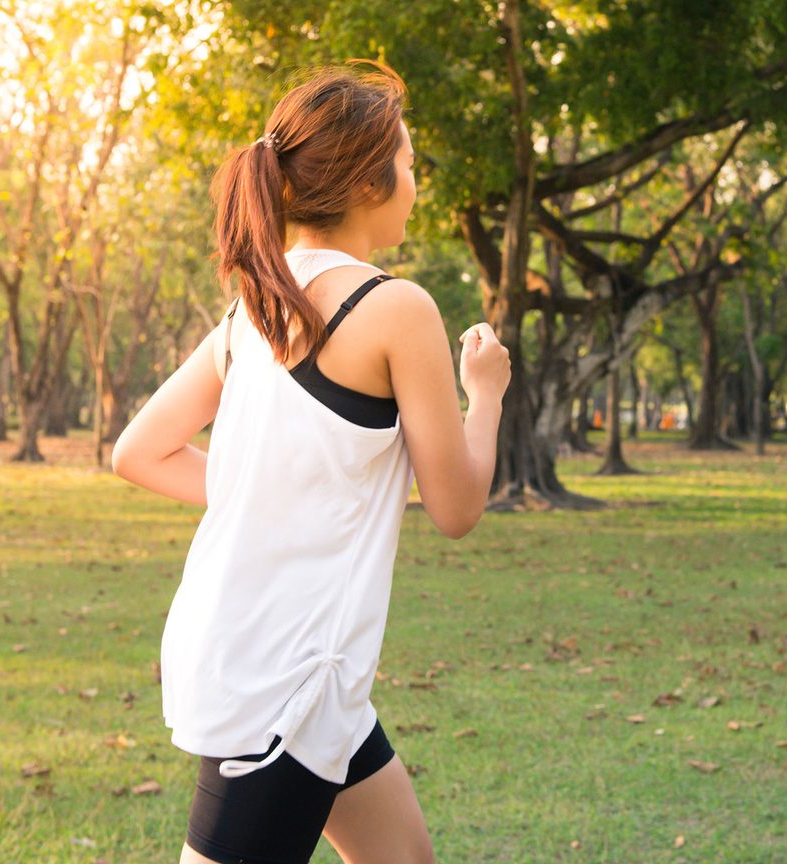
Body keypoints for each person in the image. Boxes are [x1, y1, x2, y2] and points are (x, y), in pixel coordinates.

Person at [111, 60, 510, 864]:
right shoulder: (395, 308)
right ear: (367, 182)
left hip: (298, 669)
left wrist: (268, 497)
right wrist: (487, 392)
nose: (414, 183)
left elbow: (138, 451)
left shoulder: (254, 307)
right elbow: (458, 507)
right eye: (406, 164)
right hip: (283, 683)